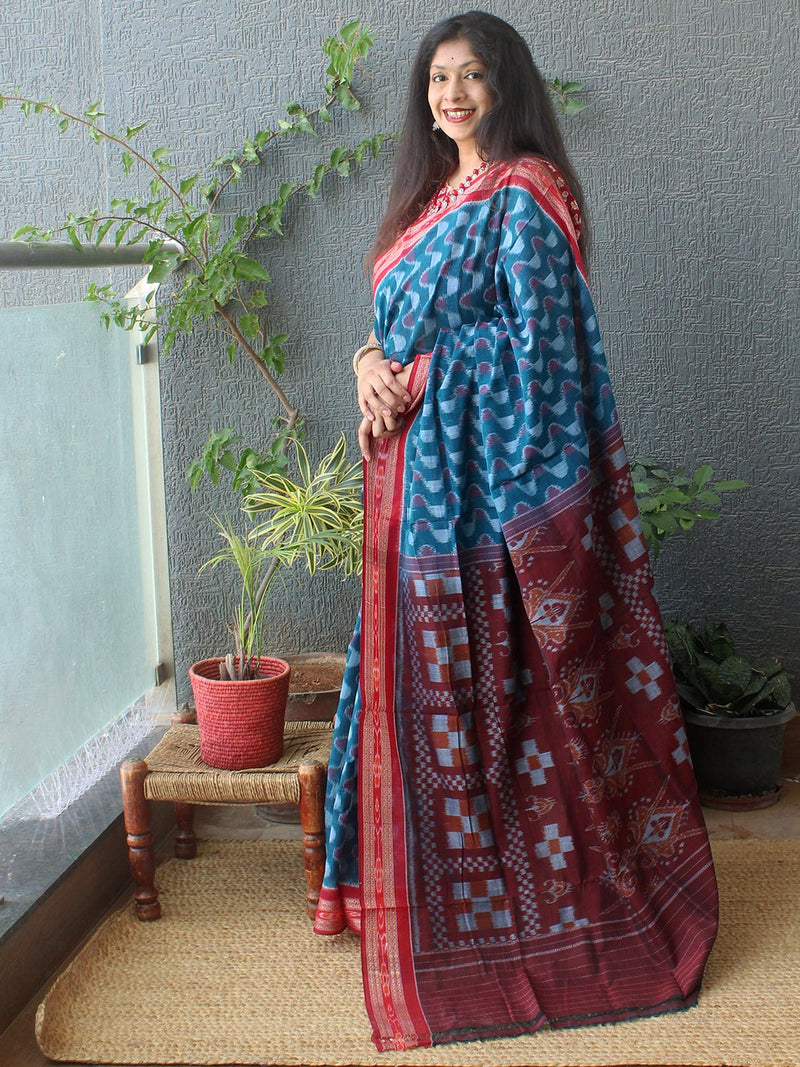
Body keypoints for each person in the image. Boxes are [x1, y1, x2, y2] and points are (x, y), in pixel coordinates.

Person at [314, 10, 719, 1053]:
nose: (451, 94)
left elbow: (541, 358)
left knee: (486, 686)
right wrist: (366, 364)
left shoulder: (527, 194)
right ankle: (394, 887)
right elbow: (398, 330)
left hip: (484, 500)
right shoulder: (426, 204)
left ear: (507, 86)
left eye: (472, 76)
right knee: (405, 671)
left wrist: (421, 375)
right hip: (412, 484)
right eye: (437, 78)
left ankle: (517, 905)